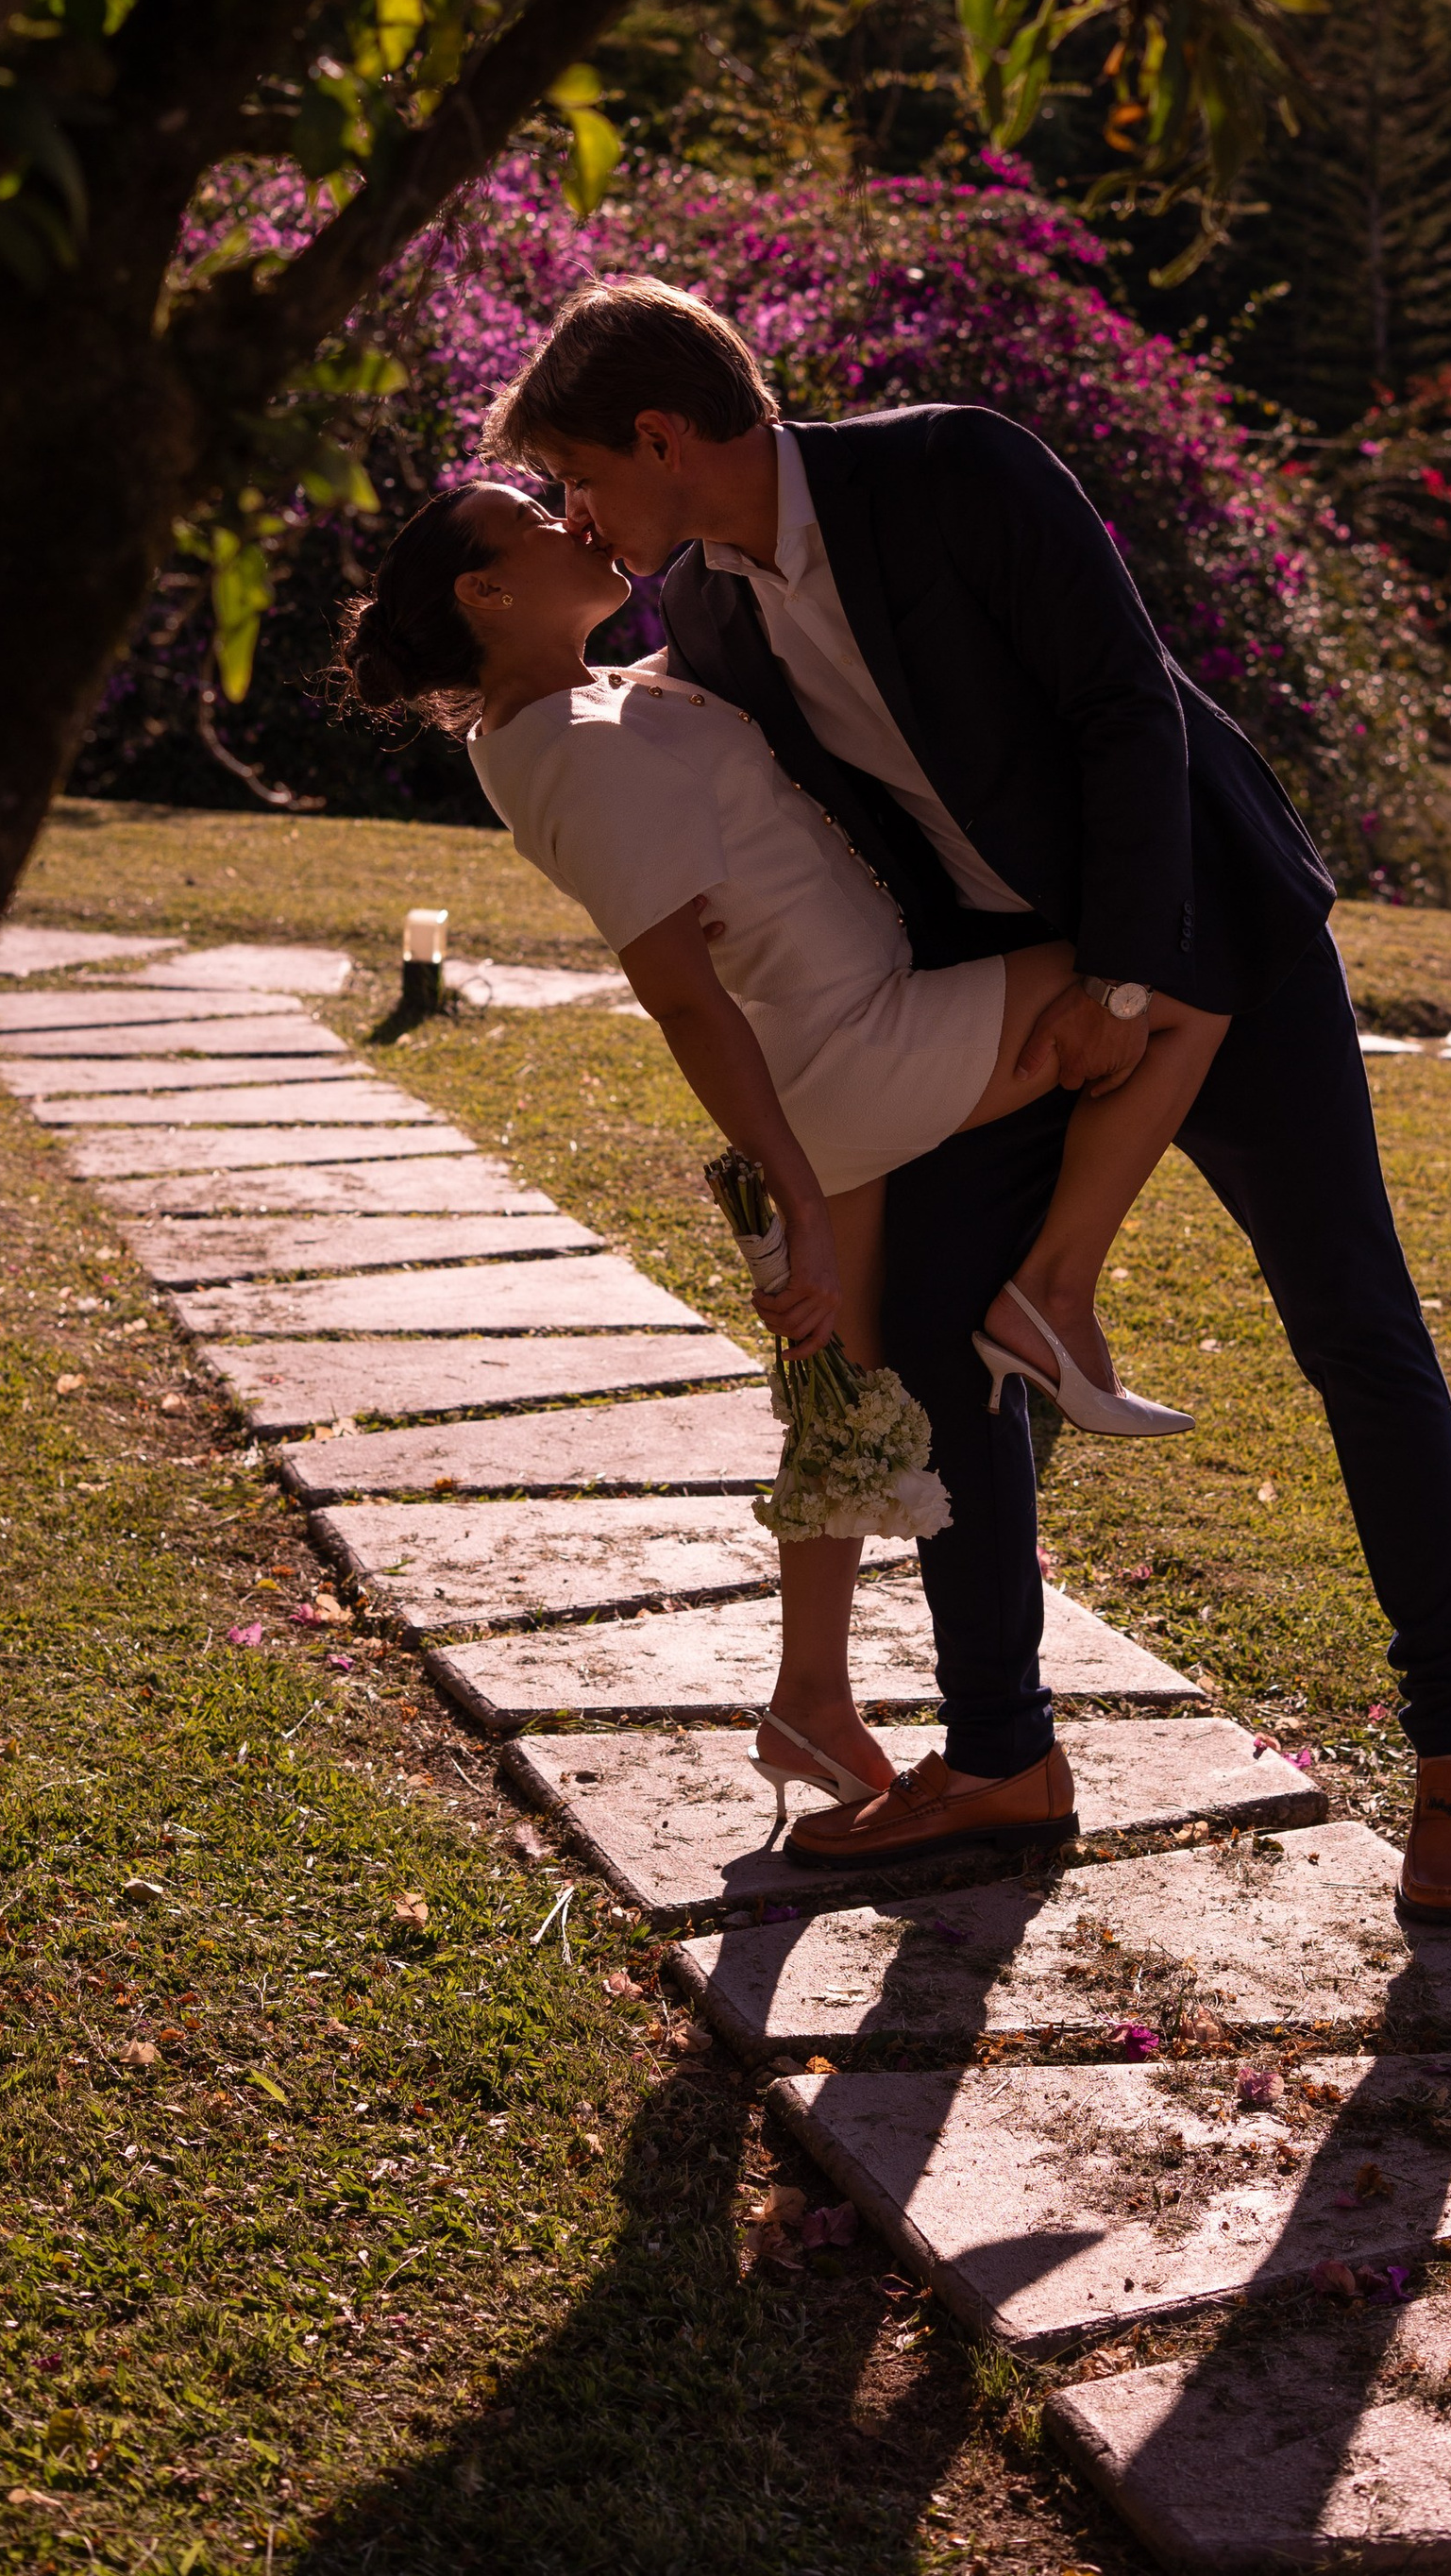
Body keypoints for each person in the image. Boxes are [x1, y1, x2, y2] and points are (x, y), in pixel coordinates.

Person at [481, 276, 1451, 1915]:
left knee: (1352, 1323)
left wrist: (1120, 975)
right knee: (951, 1327)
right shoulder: (719, 629)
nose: (580, 519)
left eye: (582, 481)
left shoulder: (959, 467)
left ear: (663, 437)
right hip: (1011, 1007)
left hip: (1208, 941)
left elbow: (1126, 708)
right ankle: (1004, 1757)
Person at [334, 480, 1228, 1838]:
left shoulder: (584, 706)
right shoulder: (562, 747)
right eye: (536, 513)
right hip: (851, 1047)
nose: (576, 517)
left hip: (836, 1048)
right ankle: (1054, 1288)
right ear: (485, 591)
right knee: (1184, 965)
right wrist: (798, 1198)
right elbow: (681, 994)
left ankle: (809, 1693)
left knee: (844, 1384)